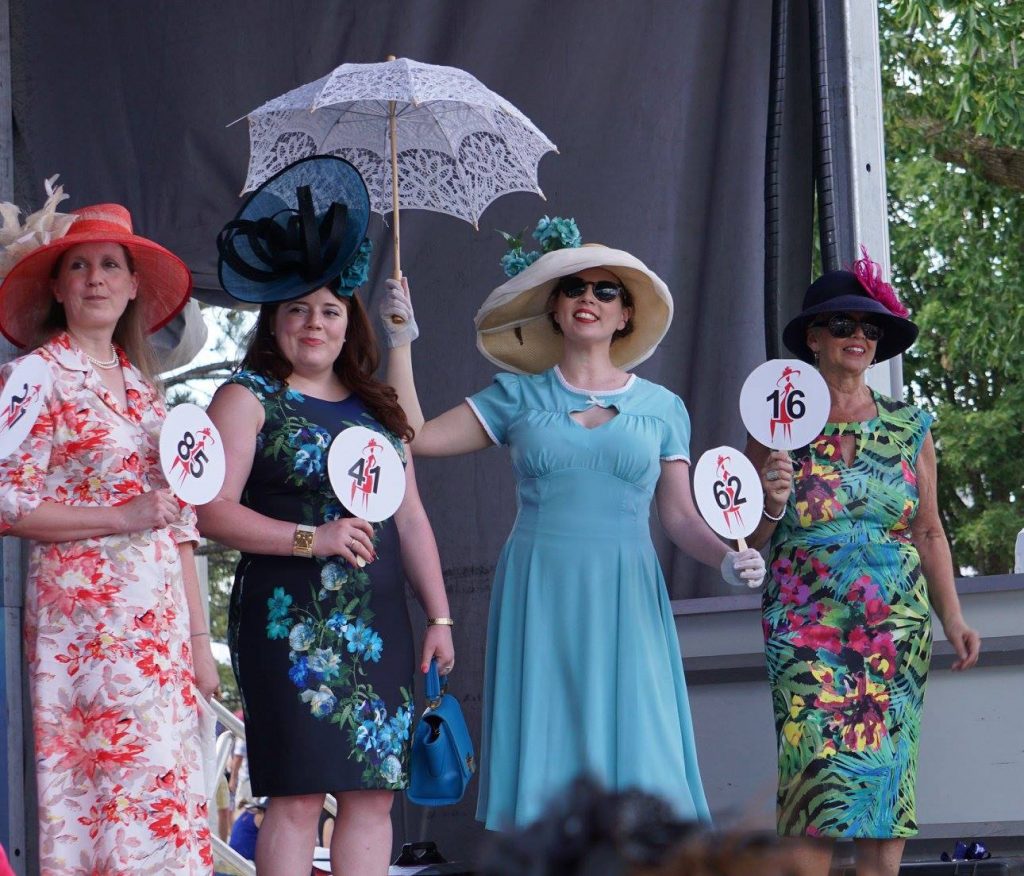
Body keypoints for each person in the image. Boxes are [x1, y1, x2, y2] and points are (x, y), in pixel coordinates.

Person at [379, 218, 766, 830]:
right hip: (540, 588)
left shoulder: (665, 409)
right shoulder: (515, 396)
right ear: (555, 311)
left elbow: (678, 513)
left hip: (626, 592)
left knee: (638, 757)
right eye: (574, 288)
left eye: (605, 290)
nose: (589, 298)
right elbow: (415, 437)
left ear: (625, 317)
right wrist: (400, 342)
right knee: (550, 761)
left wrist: (724, 557)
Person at [198, 157, 453, 876]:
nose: (315, 323)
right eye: (299, 310)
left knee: (373, 796)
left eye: (331, 310)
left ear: (351, 323)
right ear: (274, 322)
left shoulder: (378, 411)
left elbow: (414, 520)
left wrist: (438, 618)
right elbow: (212, 511)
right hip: (288, 618)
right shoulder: (246, 396)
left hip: (380, 624)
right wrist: (314, 538)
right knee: (297, 795)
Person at [744, 250, 981, 876]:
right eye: (845, 325)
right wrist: (768, 501)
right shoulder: (775, 424)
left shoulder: (910, 427)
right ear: (814, 338)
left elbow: (929, 531)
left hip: (893, 636)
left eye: (871, 329)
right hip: (805, 634)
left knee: (884, 790)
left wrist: (952, 616)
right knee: (811, 793)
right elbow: (752, 536)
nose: (859, 338)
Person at [0, 190, 216, 872]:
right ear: (59, 289)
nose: (95, 278)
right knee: (102, 800)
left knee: (166, 793)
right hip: (83, 630)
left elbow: (180, 524)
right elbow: (6, 502)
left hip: (160, 628)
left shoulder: (148, 392)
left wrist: (200, 642)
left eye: (110, 266)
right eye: (79, 266)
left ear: (130, 290)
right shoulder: (34, 376)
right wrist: (117, 517)